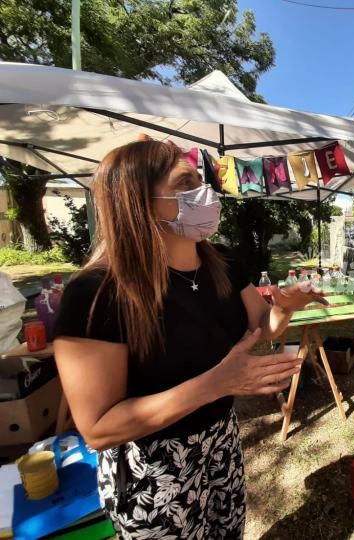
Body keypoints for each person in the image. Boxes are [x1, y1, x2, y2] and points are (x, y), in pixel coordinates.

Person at [53, 140, 325, 539]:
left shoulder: (225, 263)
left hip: (221, 443)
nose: (205, 193)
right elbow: (97, 427)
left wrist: (285, 309)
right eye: (186, 182)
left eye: (201, 180)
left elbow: (260, 330)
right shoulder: (97, 293)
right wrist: (219, 382)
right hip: (152, 467)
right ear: (138, 200)